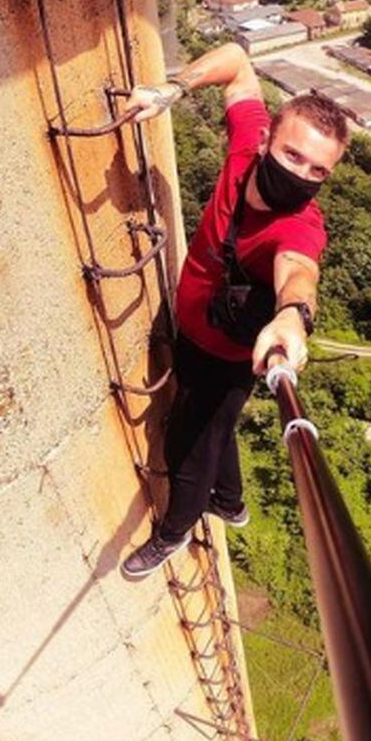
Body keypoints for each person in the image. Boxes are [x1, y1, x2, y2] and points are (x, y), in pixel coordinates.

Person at [120, 42, 349, 579]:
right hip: (195, 334)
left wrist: (294, 316)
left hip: (232, 357)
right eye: (294, 155)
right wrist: (170, 91)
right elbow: (238, 63)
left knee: (188, 446)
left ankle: (174, 532)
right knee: (217, 428)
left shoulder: (298, 225)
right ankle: (231, 501)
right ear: (269, 137)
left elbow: (299, 271)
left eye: (318, 170)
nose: (301, 174)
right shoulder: (247, 147)